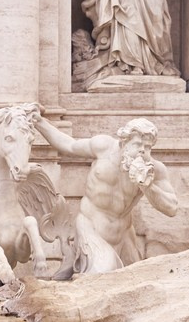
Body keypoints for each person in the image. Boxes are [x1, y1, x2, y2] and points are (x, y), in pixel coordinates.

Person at [32, 111, 179, 274]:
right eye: (138, 144)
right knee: (103, 273)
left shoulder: (154, 169)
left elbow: (171, 208)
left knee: (133, 279)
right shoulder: (103, 147)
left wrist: (146, 185)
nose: (142, 151)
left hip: (123, 234)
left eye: (148, 147)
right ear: (124, 142)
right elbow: (69, 145)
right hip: (91, 228)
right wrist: (40, 123)